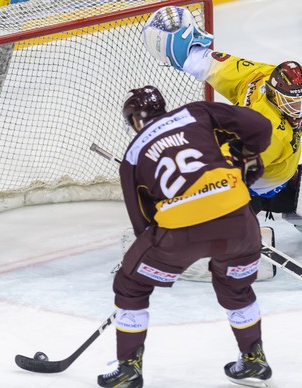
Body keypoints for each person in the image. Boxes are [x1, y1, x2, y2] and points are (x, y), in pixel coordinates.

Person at [142, 5, 302, 240]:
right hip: (266, 176)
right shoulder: (267, 103)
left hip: (265, 178)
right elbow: (221, 69)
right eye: (292, 103)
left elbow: (232, 170)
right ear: (274, 92)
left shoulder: (264, 96)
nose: (298, 110)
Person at [97, 85, 273, 388]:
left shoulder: (133, 155)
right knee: (235, 287)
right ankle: (254, 359)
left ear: (134, 122)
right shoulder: (196, 112)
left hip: (180, 234)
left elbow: (141, 223)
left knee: (131, 283)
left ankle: (128, 367)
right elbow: (261, 126)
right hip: (240, 224)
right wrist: (242, 159)